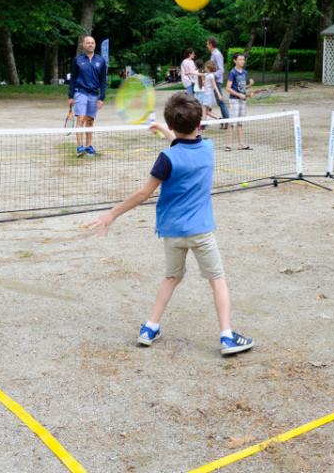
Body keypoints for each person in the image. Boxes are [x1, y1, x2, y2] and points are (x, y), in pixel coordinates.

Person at [87, 92, 254, 356]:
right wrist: (168, 131)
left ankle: (150, 327)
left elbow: (144, 193)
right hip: (202, 231)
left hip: (173, 232)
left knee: (172, 277)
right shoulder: (208, 148)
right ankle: (226, 336)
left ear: (173, 125)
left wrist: (111, 214)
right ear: (199, 124)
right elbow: (186, 144)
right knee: (217, 280)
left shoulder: (166, 159)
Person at [68, 35, 108, 157]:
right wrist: (71, 96)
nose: (90, 44)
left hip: (94, 94)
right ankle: (80, 147)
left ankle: (88, 146)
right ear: (83, 45)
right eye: (88, 43)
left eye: (92, 42)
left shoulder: (101, 61)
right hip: (80, 92)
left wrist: (102, 97)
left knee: (90, 121)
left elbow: (103, 81)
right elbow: (73, 78)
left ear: (95, 45)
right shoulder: (77, 60)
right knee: (81, 118)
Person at [225, 53, 254, 151]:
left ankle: (241, 144)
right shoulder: (232, 72)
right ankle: (228, 145)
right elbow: (228, 88)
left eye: (243, 59)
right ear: (235, 61)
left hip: (242, 100)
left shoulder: (245, 72)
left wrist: (249, 87)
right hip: (234, 100)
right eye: (240, 59)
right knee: (231, 122)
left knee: (240, 122)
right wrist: (239, 95)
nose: (242, 61)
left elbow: (241, 87)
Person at [207, 38, 229, 126]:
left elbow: (221, 70)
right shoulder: (213, 54)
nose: (207, 46)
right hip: (214, 81)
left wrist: (212, 76)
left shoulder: (217, 54)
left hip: (217, 81)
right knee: (219, 102)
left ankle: (227, 121)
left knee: (221, 101)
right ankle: (225, 120)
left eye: (207, 44)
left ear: (211, 45)